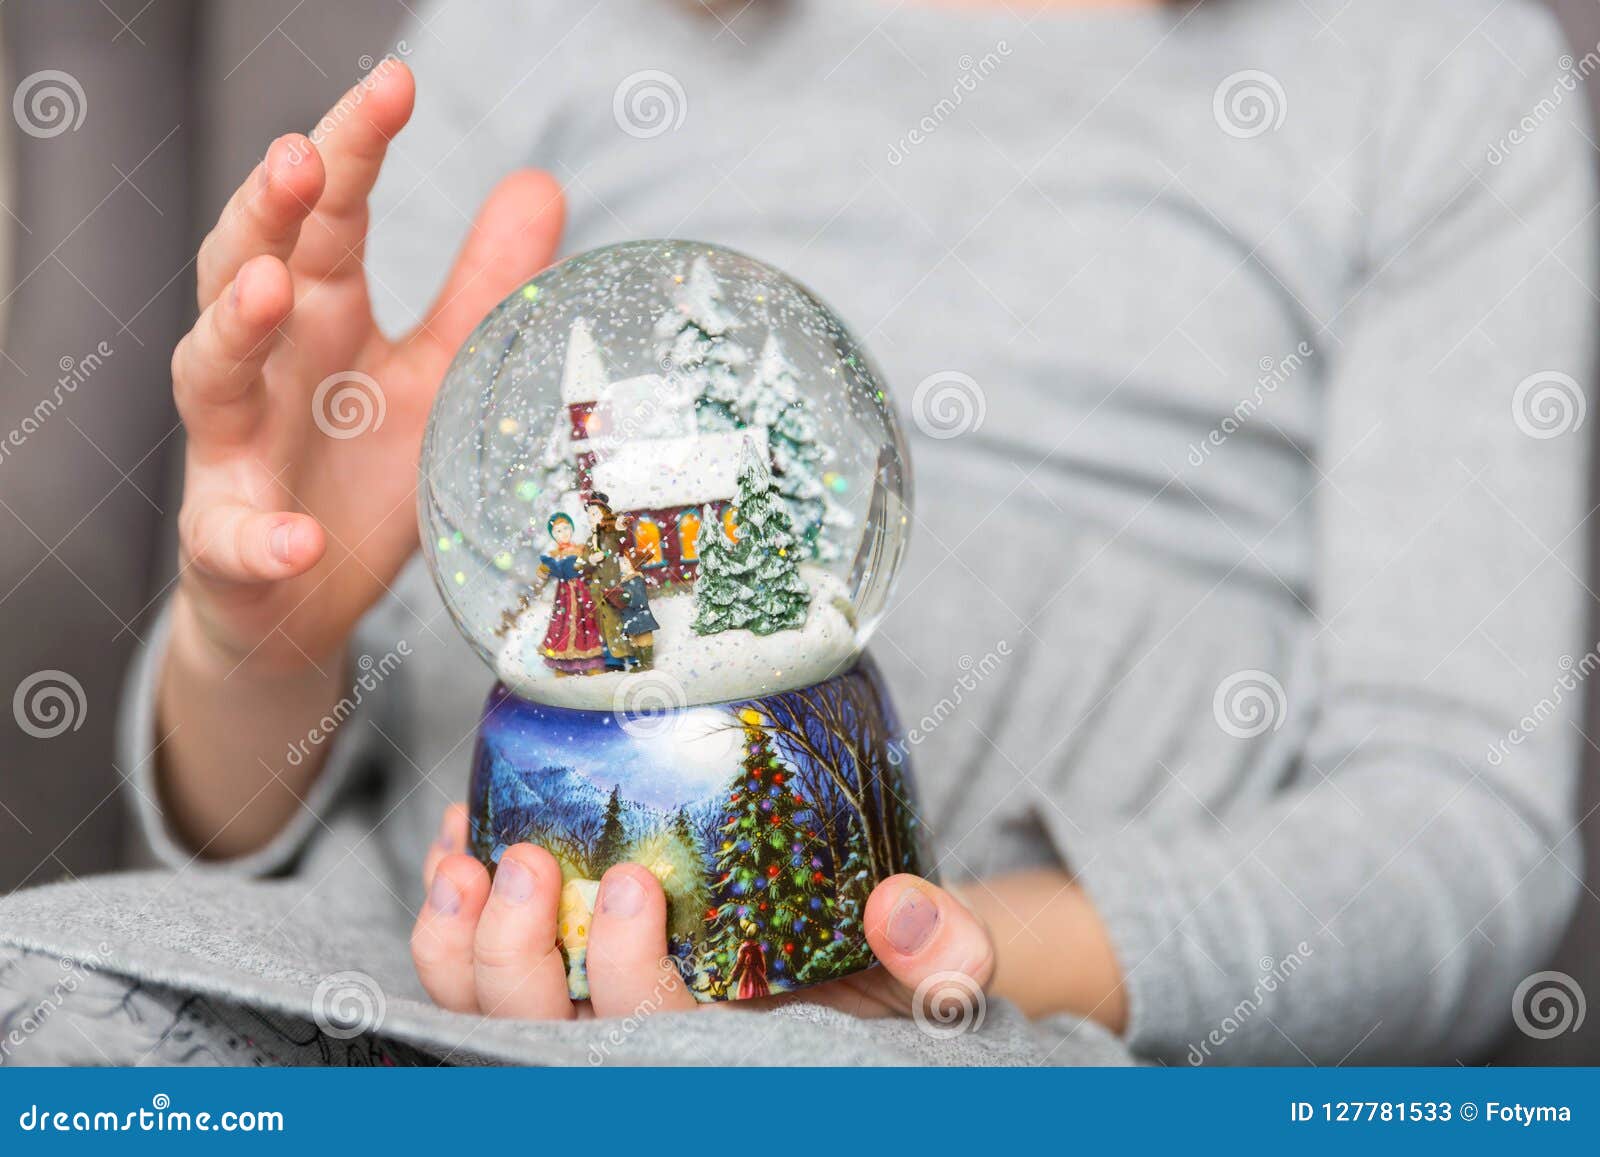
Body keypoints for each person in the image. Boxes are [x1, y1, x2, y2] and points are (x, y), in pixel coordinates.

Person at [0, 0, 1591, 1067]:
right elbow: (220, 811)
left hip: (993, 1037)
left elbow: (1460, 817)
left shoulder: (1433, 67)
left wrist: (930, 961)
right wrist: (264, 640)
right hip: (386, 980)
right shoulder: (531, 32)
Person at [536, 513, 607, 676]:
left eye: (566, 528)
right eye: (558, 531)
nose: (563, 533)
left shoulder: (581, 548)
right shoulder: (554, 554)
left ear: (572, 529)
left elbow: (591, 563)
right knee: (563, 625)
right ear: (553, 535)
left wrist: (592, 560)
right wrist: (544, 571)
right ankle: (563, 665)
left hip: (582, 590)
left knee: (587, 624)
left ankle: (591, 662)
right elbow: (542, 572)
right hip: (564, 595)